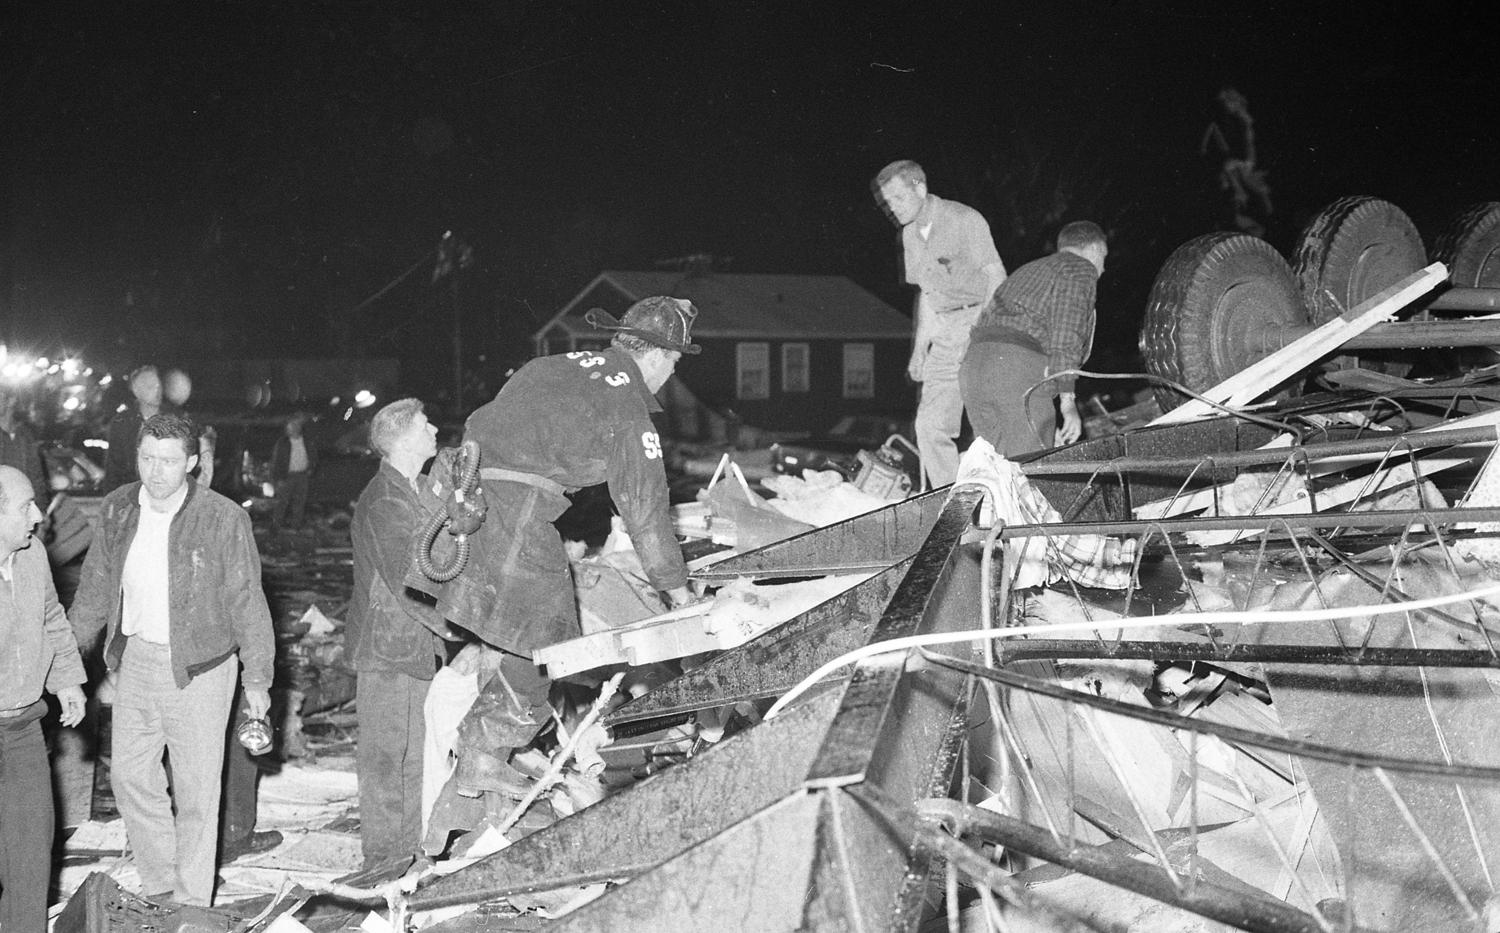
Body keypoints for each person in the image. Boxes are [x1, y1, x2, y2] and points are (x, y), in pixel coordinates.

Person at [406, 296, 697, 803]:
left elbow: (488, 423)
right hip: (514, 514)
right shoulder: (629, 411)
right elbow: (645, 510)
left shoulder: (550, 366)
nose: (669, 376)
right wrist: (677, 590)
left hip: (464, 497)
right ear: (657, 355)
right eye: (673, 363)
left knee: (515, 638)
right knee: (551, 645)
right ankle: (482, 752)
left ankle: (487, 752)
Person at [70, 412, 275, 906]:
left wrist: (258, 679)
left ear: (192, 462)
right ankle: (162, 886)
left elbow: (247, 600)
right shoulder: (119, 508)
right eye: (147, 458)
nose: (155, 471)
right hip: (138, 658)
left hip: (203, 668)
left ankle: (191, 904)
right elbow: (94, 588)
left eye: (167, 461)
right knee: (129, 777)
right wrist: (64, 661)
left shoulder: (223, 517)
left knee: (197, 791)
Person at [349, 398, 456, 869]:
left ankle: (409, 852)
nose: (434, 430)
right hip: (386, 648)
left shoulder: (415, 490)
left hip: (413, 645)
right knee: (386, 758)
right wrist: (459, 632)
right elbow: (410, 583)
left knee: (417, 757)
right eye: (424, 425)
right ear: (404, 439)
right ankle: (382, 859)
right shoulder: (386, 501)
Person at [874, 159, 1006, 488]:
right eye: (888, 202)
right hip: (945, 330)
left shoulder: (963, 219)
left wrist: (980, 333)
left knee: (989, 422)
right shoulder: (909, 235)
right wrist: (920, 350)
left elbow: (996, 277)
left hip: (981, 319)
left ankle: (1005, 495)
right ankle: (953, 501)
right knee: (929, 427)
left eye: (898, 198)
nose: (892, 208)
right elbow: (929, 296)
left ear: (920, 188)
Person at [0, 465, 86, 932]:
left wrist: (67, 679)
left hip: (23, 729)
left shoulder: (32, 555)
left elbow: (52, 615)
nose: (38, 516)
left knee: (31, 851)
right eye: (25, 506)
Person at [959, 220, 1108, 457]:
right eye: (1103, 258)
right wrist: (1067, 401)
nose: (1103, 269)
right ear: (1095, 249)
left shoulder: (1030, 270)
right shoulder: (1080, 267)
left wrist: (1044, 424)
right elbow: (1066, 334)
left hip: (974, 369)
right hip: (1013, 368)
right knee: (1033, 469)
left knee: (996, 468)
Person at [102, 365, 163, 493]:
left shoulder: (173, 420)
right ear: (136, 391)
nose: (157, 392)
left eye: (159, 386)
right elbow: (113, 467)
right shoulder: (122, 423)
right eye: (150, 387)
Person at [0, 387, 48, 503]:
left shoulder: (24, 435)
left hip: (22, 504)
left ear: (11, 401)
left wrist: (40, 507)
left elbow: (36, 475)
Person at [270, 413, 316, 531]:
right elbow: (276, 461)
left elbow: (313, 456)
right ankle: (276, 527)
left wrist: (311, 469)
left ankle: (296, 527)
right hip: (287, 476)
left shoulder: (307, 441)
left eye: (295, 425)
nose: (292, 428)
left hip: (302, 476)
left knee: (299, 503)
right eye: (290, 426)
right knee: (282, 502)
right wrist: (277, 479)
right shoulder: (282, 443)